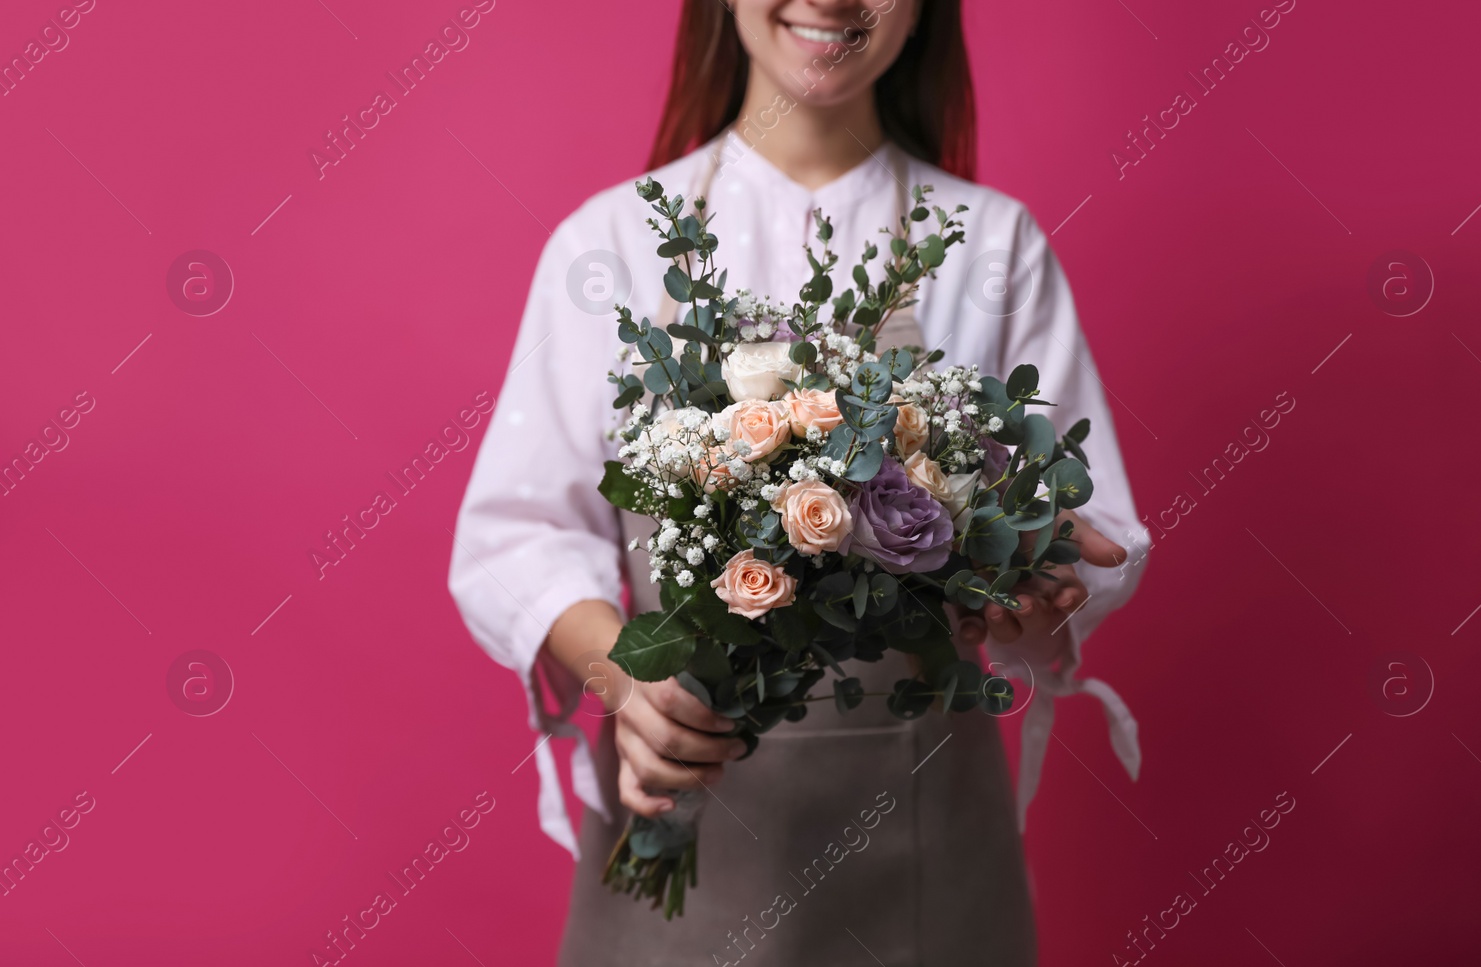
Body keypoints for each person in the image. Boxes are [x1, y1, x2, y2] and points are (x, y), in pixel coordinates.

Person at [449, 1, 1151, 962]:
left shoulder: (993, 246)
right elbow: (516, 534)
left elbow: (1086, 530)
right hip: (684, 801)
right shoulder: (605, 245)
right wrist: (629, 680)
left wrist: (1029, 588)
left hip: (927, 849)